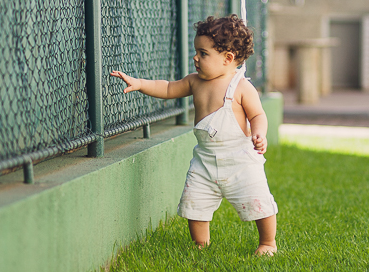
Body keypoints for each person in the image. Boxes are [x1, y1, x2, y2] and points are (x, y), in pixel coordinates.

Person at [111, 14, 278, 256]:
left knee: (257, 200)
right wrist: (140, 83)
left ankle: (267, 243)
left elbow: (257, 116)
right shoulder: (195, 82)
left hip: (240, 161)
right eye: (196, 51)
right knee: (195, 203)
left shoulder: (241, 87)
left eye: (203, 53)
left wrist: (259, 134)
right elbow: (168, 88)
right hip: (205, 161)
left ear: (228, 58)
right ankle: (200, 245)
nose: (195, 58)